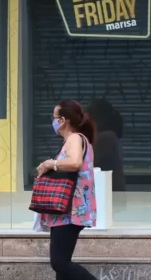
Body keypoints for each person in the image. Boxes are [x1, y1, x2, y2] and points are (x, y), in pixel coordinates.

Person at [36, 99, 98, 280]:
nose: (52, 121)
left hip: (71, 210)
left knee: (59, 262)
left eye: (54, 117)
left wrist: (51, 163)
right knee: (61, 267)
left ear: (63, 120)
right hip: (65, 210)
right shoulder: (72, 140)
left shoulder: (75, 138)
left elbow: (75, 162)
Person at [86, 99, 126, 191]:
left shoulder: (106, 138)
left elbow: (87, 162)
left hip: (111, 196)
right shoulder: (108, 137)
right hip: (108, 195)